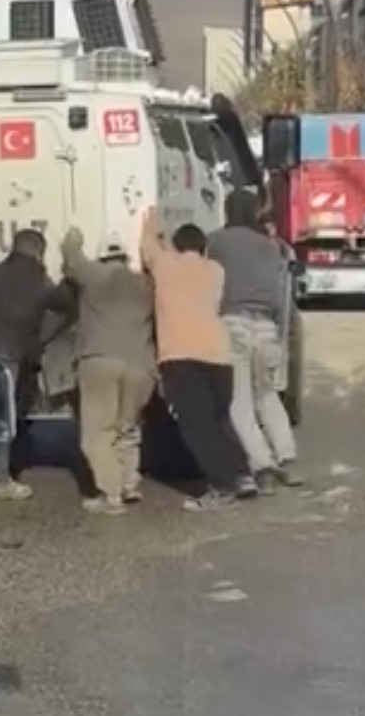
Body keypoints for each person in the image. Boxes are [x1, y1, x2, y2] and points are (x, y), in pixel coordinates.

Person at [139, 207, 255, 512]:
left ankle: (221, 487)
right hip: (219, 356)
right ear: (203, 249)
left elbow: (148, 244)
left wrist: (153, 220)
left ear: (176, 248)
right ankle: (242, 474)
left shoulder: (164, 265)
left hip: (180, 356)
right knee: (219, 420)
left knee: (197, 427)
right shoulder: (216, 271)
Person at [0, 228, 74, 509]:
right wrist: (44, 338)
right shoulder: (40, 281)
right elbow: (67, 305)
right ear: (39, 252)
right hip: (7, 354)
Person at [207, 190, 302, 494]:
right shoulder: (272, 246)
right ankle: (287, 457)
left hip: (233, 323)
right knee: (268, 396)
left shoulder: (218, 241)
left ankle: (263, 465)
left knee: (240, 404)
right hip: (266, 329)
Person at [61, 226, 156, 516]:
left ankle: (110, 494)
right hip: (141, 365)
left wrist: (73, 236)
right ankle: (129, 483)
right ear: (126, 258)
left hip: (100, 360)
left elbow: (71, 257)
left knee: (99, 431)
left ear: (102, 257)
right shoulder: (146, 284)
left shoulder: (91, 274)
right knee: (127, 427)